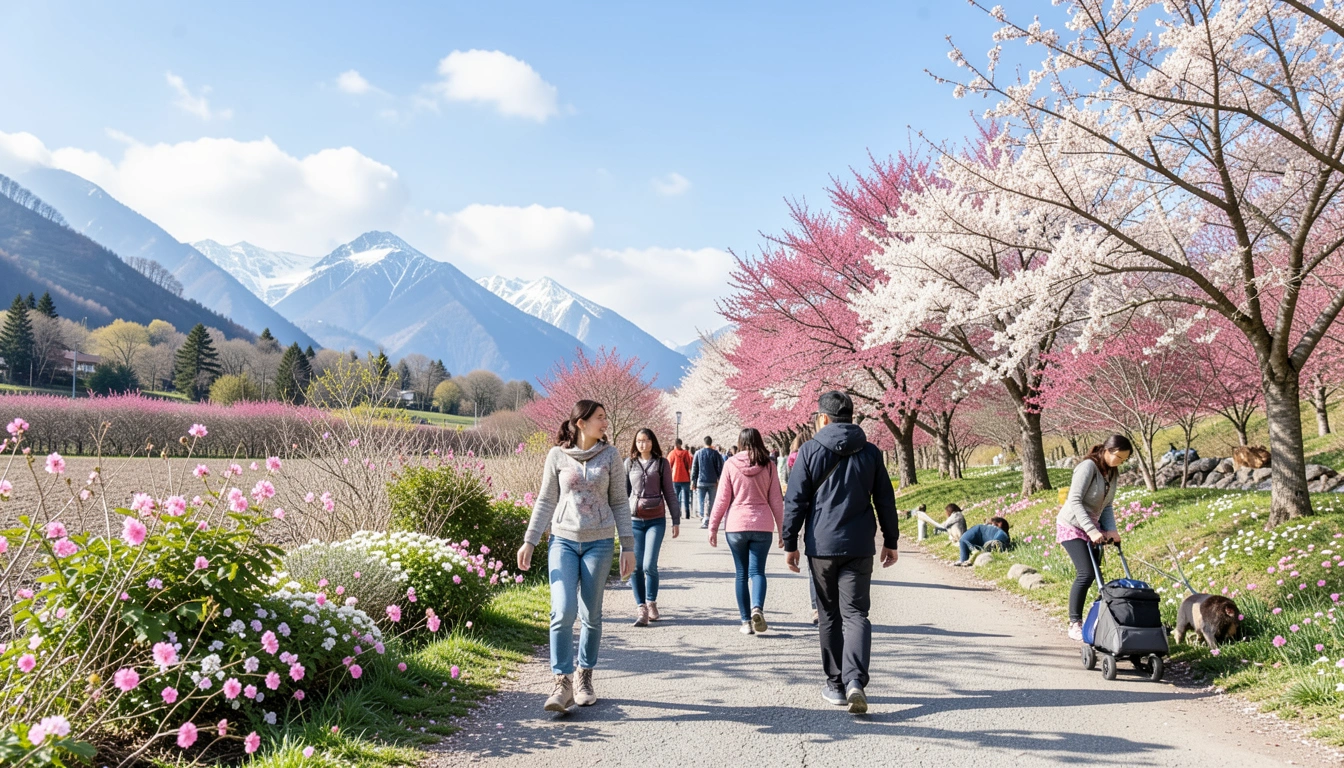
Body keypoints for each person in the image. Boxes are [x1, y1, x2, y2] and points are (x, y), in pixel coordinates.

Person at [783, 391, 899, 715]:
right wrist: (891, 540)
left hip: (821, 547)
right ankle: (856, 683)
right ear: (852, 417)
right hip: (860, 545)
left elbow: (795, 501)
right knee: (856, 615)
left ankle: (835, 684)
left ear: (822, 418)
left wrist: (790, 542)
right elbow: (885, 500)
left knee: (829, 615)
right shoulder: (872, 452)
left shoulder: (808, 451)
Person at [518, 400, 635, 714]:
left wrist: (628, 545)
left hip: (599, 542)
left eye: (606, 417)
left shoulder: (611, 455)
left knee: (590, 615)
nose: (606, 423)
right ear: (580, 423)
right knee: (563, 610)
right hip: (563, 541)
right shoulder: (557, 455)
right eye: (600, 417)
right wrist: (530, 540)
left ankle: (584, 677)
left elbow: (621, 503)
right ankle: (562, 682)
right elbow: (545, 499)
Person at [708, 428, 786, 635]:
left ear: (740, 443)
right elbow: (776, 500)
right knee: (758, 571)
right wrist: (782, 530)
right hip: (762, 525)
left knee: (741, 574)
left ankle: (745, 622)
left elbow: (722, 499)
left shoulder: (731, 464)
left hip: (736, 526)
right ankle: (757, 608)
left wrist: (713, 527)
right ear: (760, 441)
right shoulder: (769, 465)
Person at [1057, 434, 1131, 642]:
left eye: (1124, 460)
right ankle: (1074, 623)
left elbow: (1106, 504)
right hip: (1072, 525)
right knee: (1086, 573)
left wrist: (1111, 530)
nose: (1120, 462)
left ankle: (1100, 620)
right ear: (1107, 450)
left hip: (1093, 528)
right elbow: (1075, 500)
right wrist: (1092, 530)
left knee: (1098, 576)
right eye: (1118, 457)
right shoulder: (1088, 467)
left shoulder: (1112, 472)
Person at [626, 428, 681, 626]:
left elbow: (669, 492)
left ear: (652, 442)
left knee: (650, 565)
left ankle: (651, 602)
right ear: (636, 443)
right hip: (634, 520)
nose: (643, 444)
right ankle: (640, 607)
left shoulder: (661, 463)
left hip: (656, 520)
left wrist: (676, 519)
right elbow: (623, 495)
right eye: (640, 441)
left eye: (647, 440)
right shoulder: (629, 463)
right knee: (636, 566)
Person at [691, 436, 725, 530]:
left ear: (704, 442)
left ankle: (703, 517)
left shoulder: (698, 453)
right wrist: (720, 479)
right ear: (711, 442)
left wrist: (693, 481)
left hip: (701, 482)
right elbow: (720, 468)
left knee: (701, 501)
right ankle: (709, 518)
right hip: (712, 481)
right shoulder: (715, 453)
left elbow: (695, 468)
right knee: (711, 501)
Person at [667, 438, 695, 520]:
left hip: (675, 478)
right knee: (686, 496)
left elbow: (669, 465)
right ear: (681, 444)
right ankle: (687, 513)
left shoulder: (672, 453)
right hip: (685, 477)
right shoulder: (685, 453)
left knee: (676, 497)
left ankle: (677, 513)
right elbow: (689, 464)